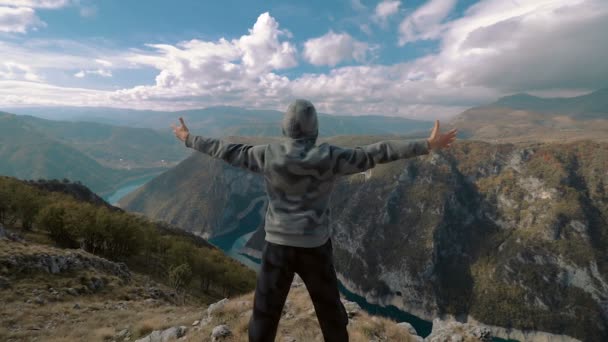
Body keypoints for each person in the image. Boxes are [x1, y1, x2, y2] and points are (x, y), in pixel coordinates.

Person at [172, 99, 457, 342]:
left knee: (265, 313)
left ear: (285, 128)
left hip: (276, 248)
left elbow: (224, 149)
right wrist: (426, 145)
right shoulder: (329, 157)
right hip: (315, 248)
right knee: (330, 311)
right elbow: (376, 152)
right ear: (315, 128)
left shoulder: (266, 155)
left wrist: (188, 138)